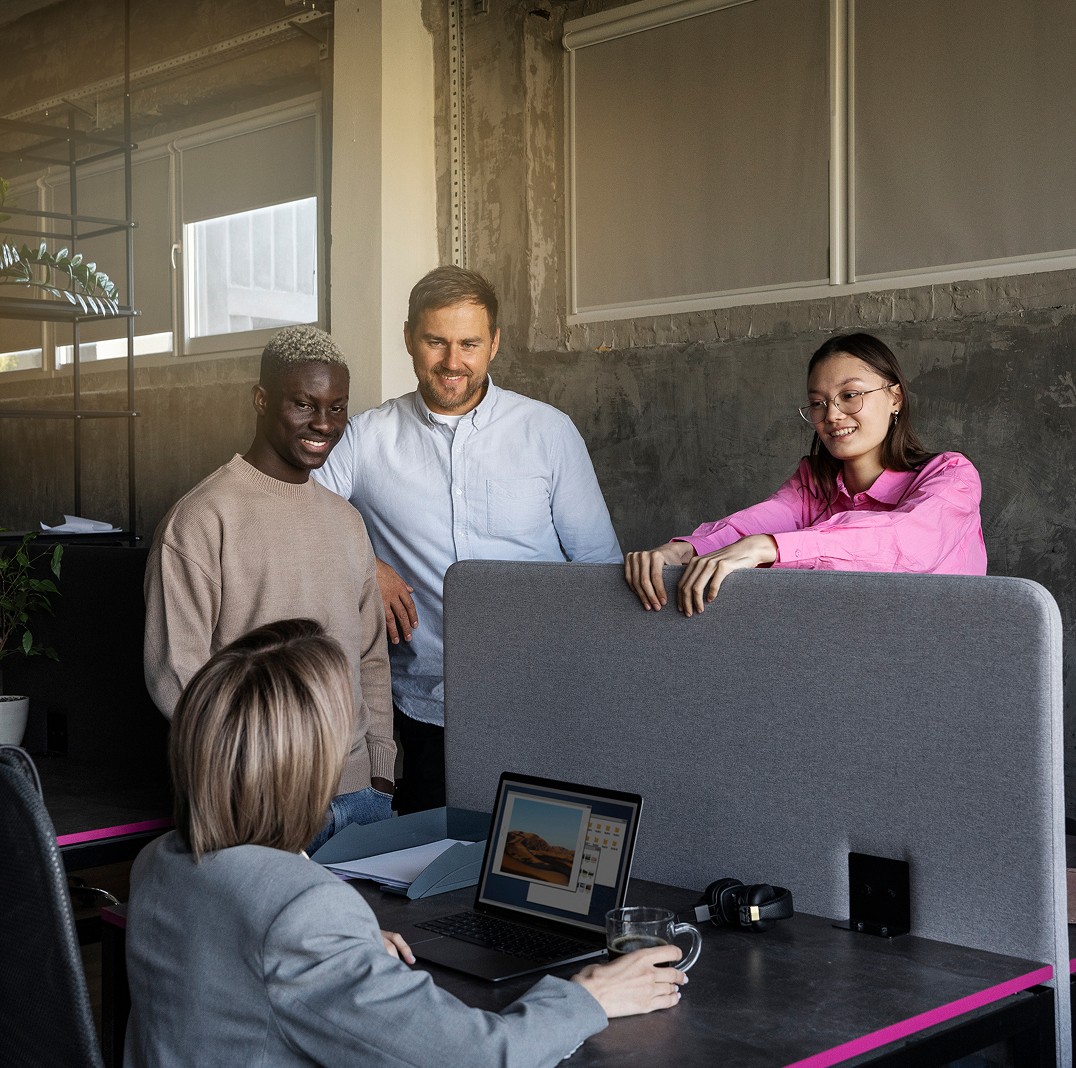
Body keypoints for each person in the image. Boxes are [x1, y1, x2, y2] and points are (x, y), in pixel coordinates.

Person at [124, 619, 686, 1067]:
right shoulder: (301, 911)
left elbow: (252, 964)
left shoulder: (160, 862)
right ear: (307, 763)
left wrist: (348, 948)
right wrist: (590, 997)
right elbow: (478, 1056)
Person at [315, 266, 621, 813]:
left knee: (540, 869)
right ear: (409, 338)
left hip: (544, 701)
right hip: (428, 709)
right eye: (436, 341)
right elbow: (295, 512)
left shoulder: (548, 433)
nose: (453, 361)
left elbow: (598, 568)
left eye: (469, 343)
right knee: (429, 874)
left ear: (494, 343)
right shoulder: (365, 439)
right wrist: (365, 565)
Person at [143, 326, 395, 844]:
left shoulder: (346, 520)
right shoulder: (201, 519)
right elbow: (176, 675)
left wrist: (380, 772)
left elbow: (369, 656)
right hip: (257, 801)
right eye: (304, 405)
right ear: (261, 400)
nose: (323, 424)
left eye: (337, 407)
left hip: (359, 800)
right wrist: (251, 777)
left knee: (376, 930)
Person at [625, 332, 987, 615]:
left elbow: (905, 542)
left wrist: (769, 547)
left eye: (850, 395)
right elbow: (750, 525)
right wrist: (682, 551)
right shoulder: (814, 483)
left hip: (944, 673)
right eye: (818, 402)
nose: (831, 415)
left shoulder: (951, 477)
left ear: (895, 398)